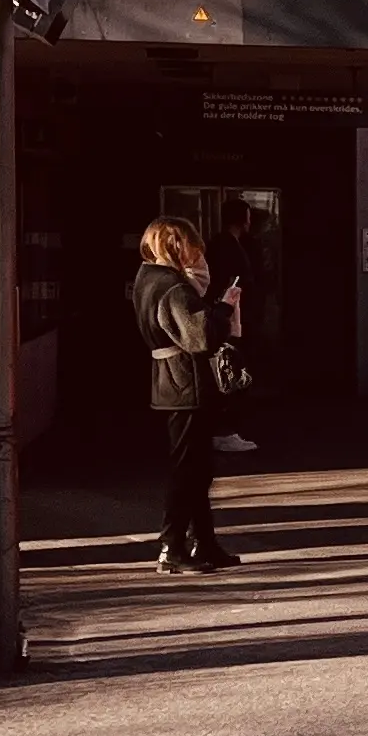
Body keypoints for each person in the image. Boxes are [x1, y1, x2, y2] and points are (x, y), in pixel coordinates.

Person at [129, 218, 237, 573]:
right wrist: (224, 308)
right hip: (185, 385)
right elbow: (201, 337)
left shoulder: (146, 278)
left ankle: (205, 543)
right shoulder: (173, 288)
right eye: (193, 248)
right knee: (188, 470)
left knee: (195, 468)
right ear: (177, 246)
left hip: (168, 382)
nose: (198, 256)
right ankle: (172, 546)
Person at [208, 197, 266, 460]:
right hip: (231, 322)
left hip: (229, 320)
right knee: (229, 374)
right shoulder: (230, 248)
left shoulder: (220, 244)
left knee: (228, 373)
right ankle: (225, 432)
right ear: (244, 219)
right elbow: (236, 284)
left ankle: (224, 430)